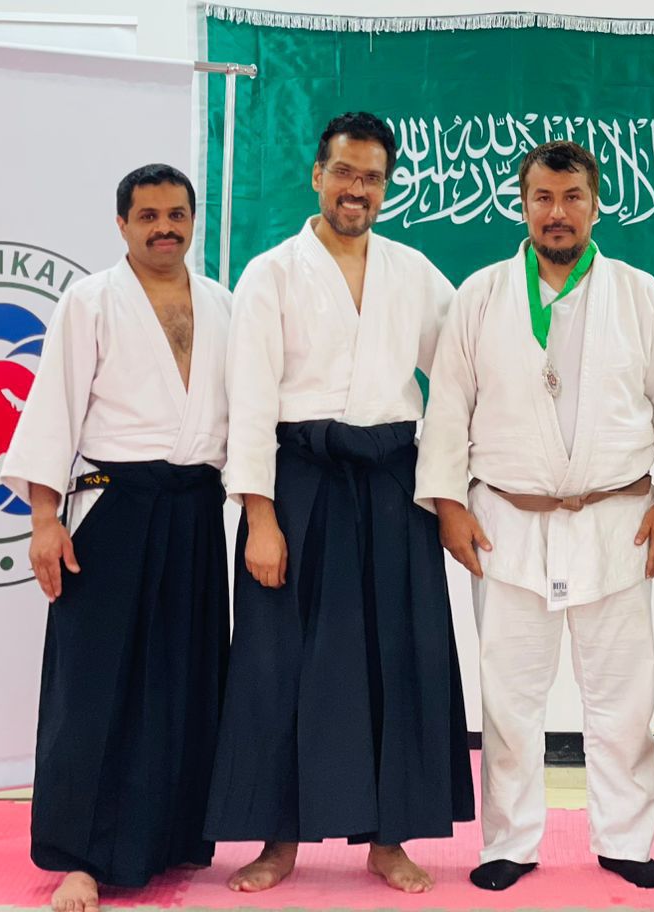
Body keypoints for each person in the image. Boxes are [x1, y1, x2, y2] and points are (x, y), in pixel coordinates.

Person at [204, 112, 473, 895]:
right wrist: (259, 517)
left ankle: (389, 839)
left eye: (372, 178)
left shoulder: (413, 273)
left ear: (386, 187)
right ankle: (277, 840)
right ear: (317, 175)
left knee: (399, 656)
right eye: (345, 173)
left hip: (392, 482)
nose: (357, 189)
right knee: (280, 662)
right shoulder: (272, 273)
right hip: (300, 482)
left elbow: (462, 373)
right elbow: (250, 399)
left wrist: (453, 485)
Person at [416, 140, 654, 893]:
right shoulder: (481, 295)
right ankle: (508, 841)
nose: (557, 212)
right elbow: (448, 404)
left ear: (597, 204)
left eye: (572, 197)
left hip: (617, 518)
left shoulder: (638, 295)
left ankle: (625, 838)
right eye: (542, 197)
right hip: (506, 521)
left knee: (624, 695)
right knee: (509, 696)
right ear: (522, 205)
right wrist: (448, 503)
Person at [1, 163, 233, 912]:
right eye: (148, 216)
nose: (164, 228)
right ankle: (79, 857)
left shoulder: (224, 305)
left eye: (176, 214)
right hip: (114, 506)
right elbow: (53, 409)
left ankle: (166, 839)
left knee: (183, 677)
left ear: (193, 220)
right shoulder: (91, 300)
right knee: (94, 683)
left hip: (195, 508)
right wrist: (44, 520)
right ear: (122, 224)